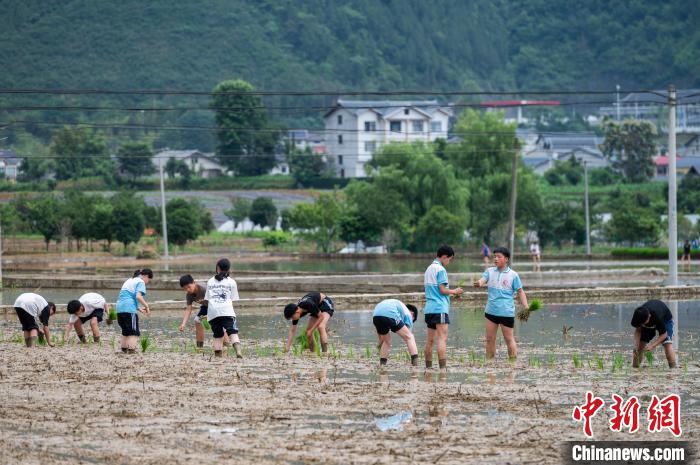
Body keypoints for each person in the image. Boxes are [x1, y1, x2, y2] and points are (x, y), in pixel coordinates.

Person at [474, 246, 528, 360]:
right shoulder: (489, 271)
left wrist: (526, 307)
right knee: (489, 339)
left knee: (509, 339)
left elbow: (520, 291)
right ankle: (490, 364)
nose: (496, 259)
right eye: (495, 256)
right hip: (491, 312)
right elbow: (483, 280)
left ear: (506, 259)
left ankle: (512, 364)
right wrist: (479, 283)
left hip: (506, 312)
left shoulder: (513, 275)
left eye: (499, 257)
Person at [423, 244, 463, 369]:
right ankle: (442, 368)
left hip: (429, 309)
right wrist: (454, 291)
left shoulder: (429, 268)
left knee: (430, 341)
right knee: (442, 339)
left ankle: (428, 368)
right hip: (439, 309)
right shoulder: (440, 270)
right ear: (444, 257)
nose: (449, 262)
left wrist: (449, 294)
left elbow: (434, 291)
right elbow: (442, 290)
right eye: (449, 259)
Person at [178, 274, 230, 349]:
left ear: (194, 282)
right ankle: (200, 348)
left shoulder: (204, 289)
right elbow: (188, 309)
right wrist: (183, 324)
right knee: (197, 320)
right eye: (185, 289)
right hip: (206, 306)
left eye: (189, 287)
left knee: (218, 324)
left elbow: (217, 301)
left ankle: (226, 346)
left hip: (218, 305)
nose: (188, 290)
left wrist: (210, 316)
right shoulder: (189, 295)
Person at [204, 258, 242, 358]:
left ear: (217, 268)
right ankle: (238, 351)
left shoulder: (210, 281)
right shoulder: (232, 282)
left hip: (213, 313)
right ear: (229, 269)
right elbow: (233, 298)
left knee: (218, 336)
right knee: (232, 332)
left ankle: (218, 357)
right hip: (227, 311)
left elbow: (207, 299)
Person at [372, 299, 419, 367]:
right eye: (412, 320)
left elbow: (380, 338)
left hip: (376, 315)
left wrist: (379, 346)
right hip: (390, 313)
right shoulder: (408, 314)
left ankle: (382, 365)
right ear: (412, 314)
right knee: (410, 337)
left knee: (386, 341)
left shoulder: (399, 307)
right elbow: (408, 336)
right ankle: (415, 365)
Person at [115, 269, 153, 354]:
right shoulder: (140, 282)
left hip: (119, 308)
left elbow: (127, 296)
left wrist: (139, 308)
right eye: (149, 279)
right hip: (129, 309)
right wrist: (146, 306)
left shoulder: (129, 280)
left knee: (125, 331)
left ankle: (124, 349)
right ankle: (132, 350)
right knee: (133, 332)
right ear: (146, 276)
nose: (147, 282)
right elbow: (138, 296)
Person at [631, 299, 676, 368]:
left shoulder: (657, 315)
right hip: (648, 322)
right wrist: (636, 345)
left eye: (649, 316)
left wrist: (652, 346)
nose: (649, 316)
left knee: (667, 343)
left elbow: (664, 334)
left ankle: (673, 368)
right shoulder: (638, 315)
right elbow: (638, 330)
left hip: (665, 320)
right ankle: (635, 368)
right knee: (639, 347)